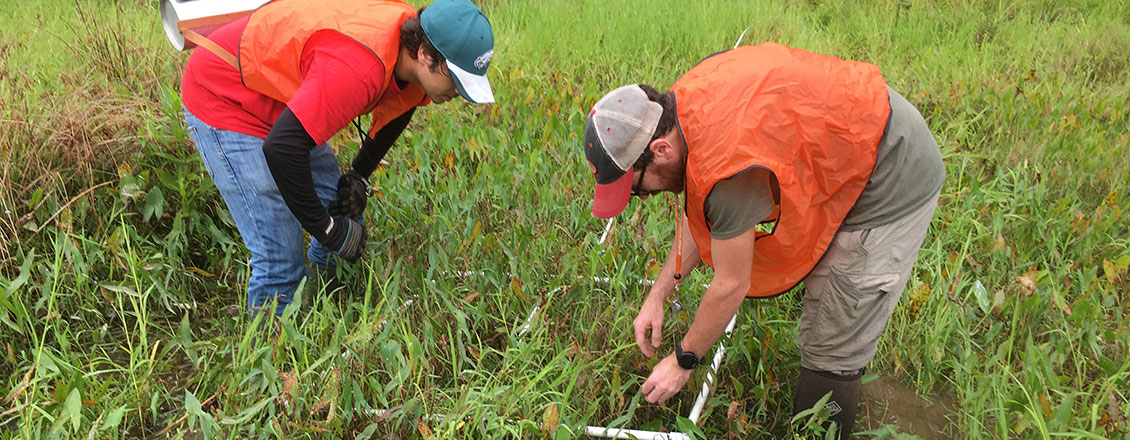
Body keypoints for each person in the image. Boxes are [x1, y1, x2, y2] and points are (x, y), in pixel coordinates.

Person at [581, 42, 944, 438]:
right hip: (849, 138)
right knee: (825, 300)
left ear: (661, 150)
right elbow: (699, 212)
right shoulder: (681, 108)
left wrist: (683, 360)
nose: (643, 197)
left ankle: (822, 429)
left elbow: (731, 284)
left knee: (833, 337)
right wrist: (658, 295)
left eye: (635, 188)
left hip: (889, 170)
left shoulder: (727, 174)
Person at [181, 0, 496, 316]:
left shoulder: (411, 49)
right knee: (280, 257)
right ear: (426, 55)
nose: (459, 92)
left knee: (346, 209)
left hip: (285, 99)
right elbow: (282, 150)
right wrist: (325, 227)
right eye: (456, 79)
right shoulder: (358, 68)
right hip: (225, 96)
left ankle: (322, 311)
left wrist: (358, 177)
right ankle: (272, 357)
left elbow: (401, 107)